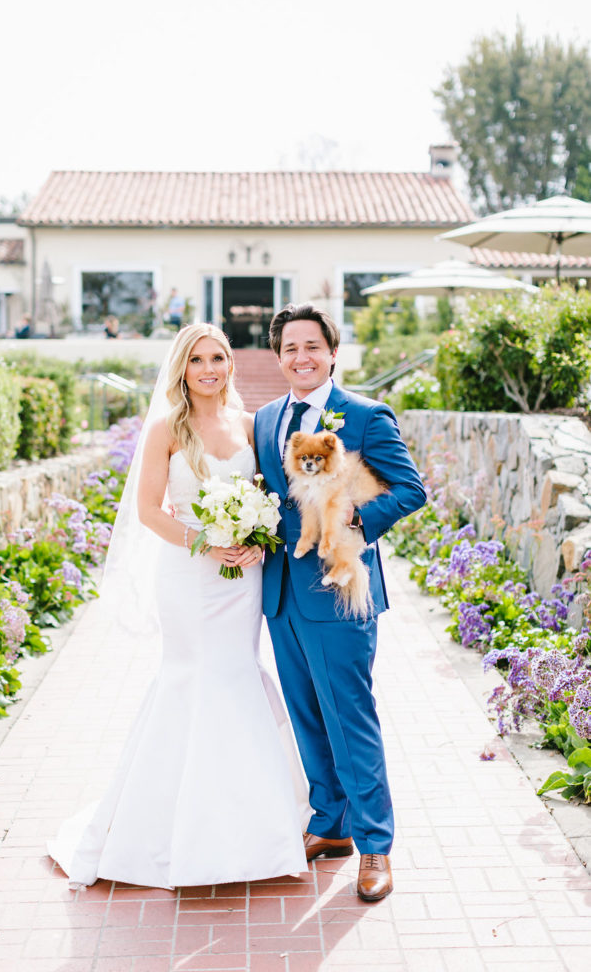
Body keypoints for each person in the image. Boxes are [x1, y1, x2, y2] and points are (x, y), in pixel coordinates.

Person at [48, 323, 309, 889]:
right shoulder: (167, 428)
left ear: (230, 365)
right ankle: (172, 827)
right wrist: (204, 542)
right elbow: (148, 510)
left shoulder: (250, 425)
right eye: (197, 360)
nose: (209, 369)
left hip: (241, 576)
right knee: (190, 676)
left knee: (238, 672)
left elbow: (270, 498)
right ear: (182, 368)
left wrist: (254, 538)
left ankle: (253, 823)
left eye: (218, 357)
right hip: (188, 576)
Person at [254, 303, 427, 903]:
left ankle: (375, 843)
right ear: (279, 358)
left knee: (349, 715)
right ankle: (330, 824)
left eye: (312, 346)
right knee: (305, 713)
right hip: (279, 593)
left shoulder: (363, 415)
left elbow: (411, 489)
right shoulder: (266, 418)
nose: (301, 357)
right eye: (289, 348)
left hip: (339, 590)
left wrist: (357, 515)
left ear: (332, 351)